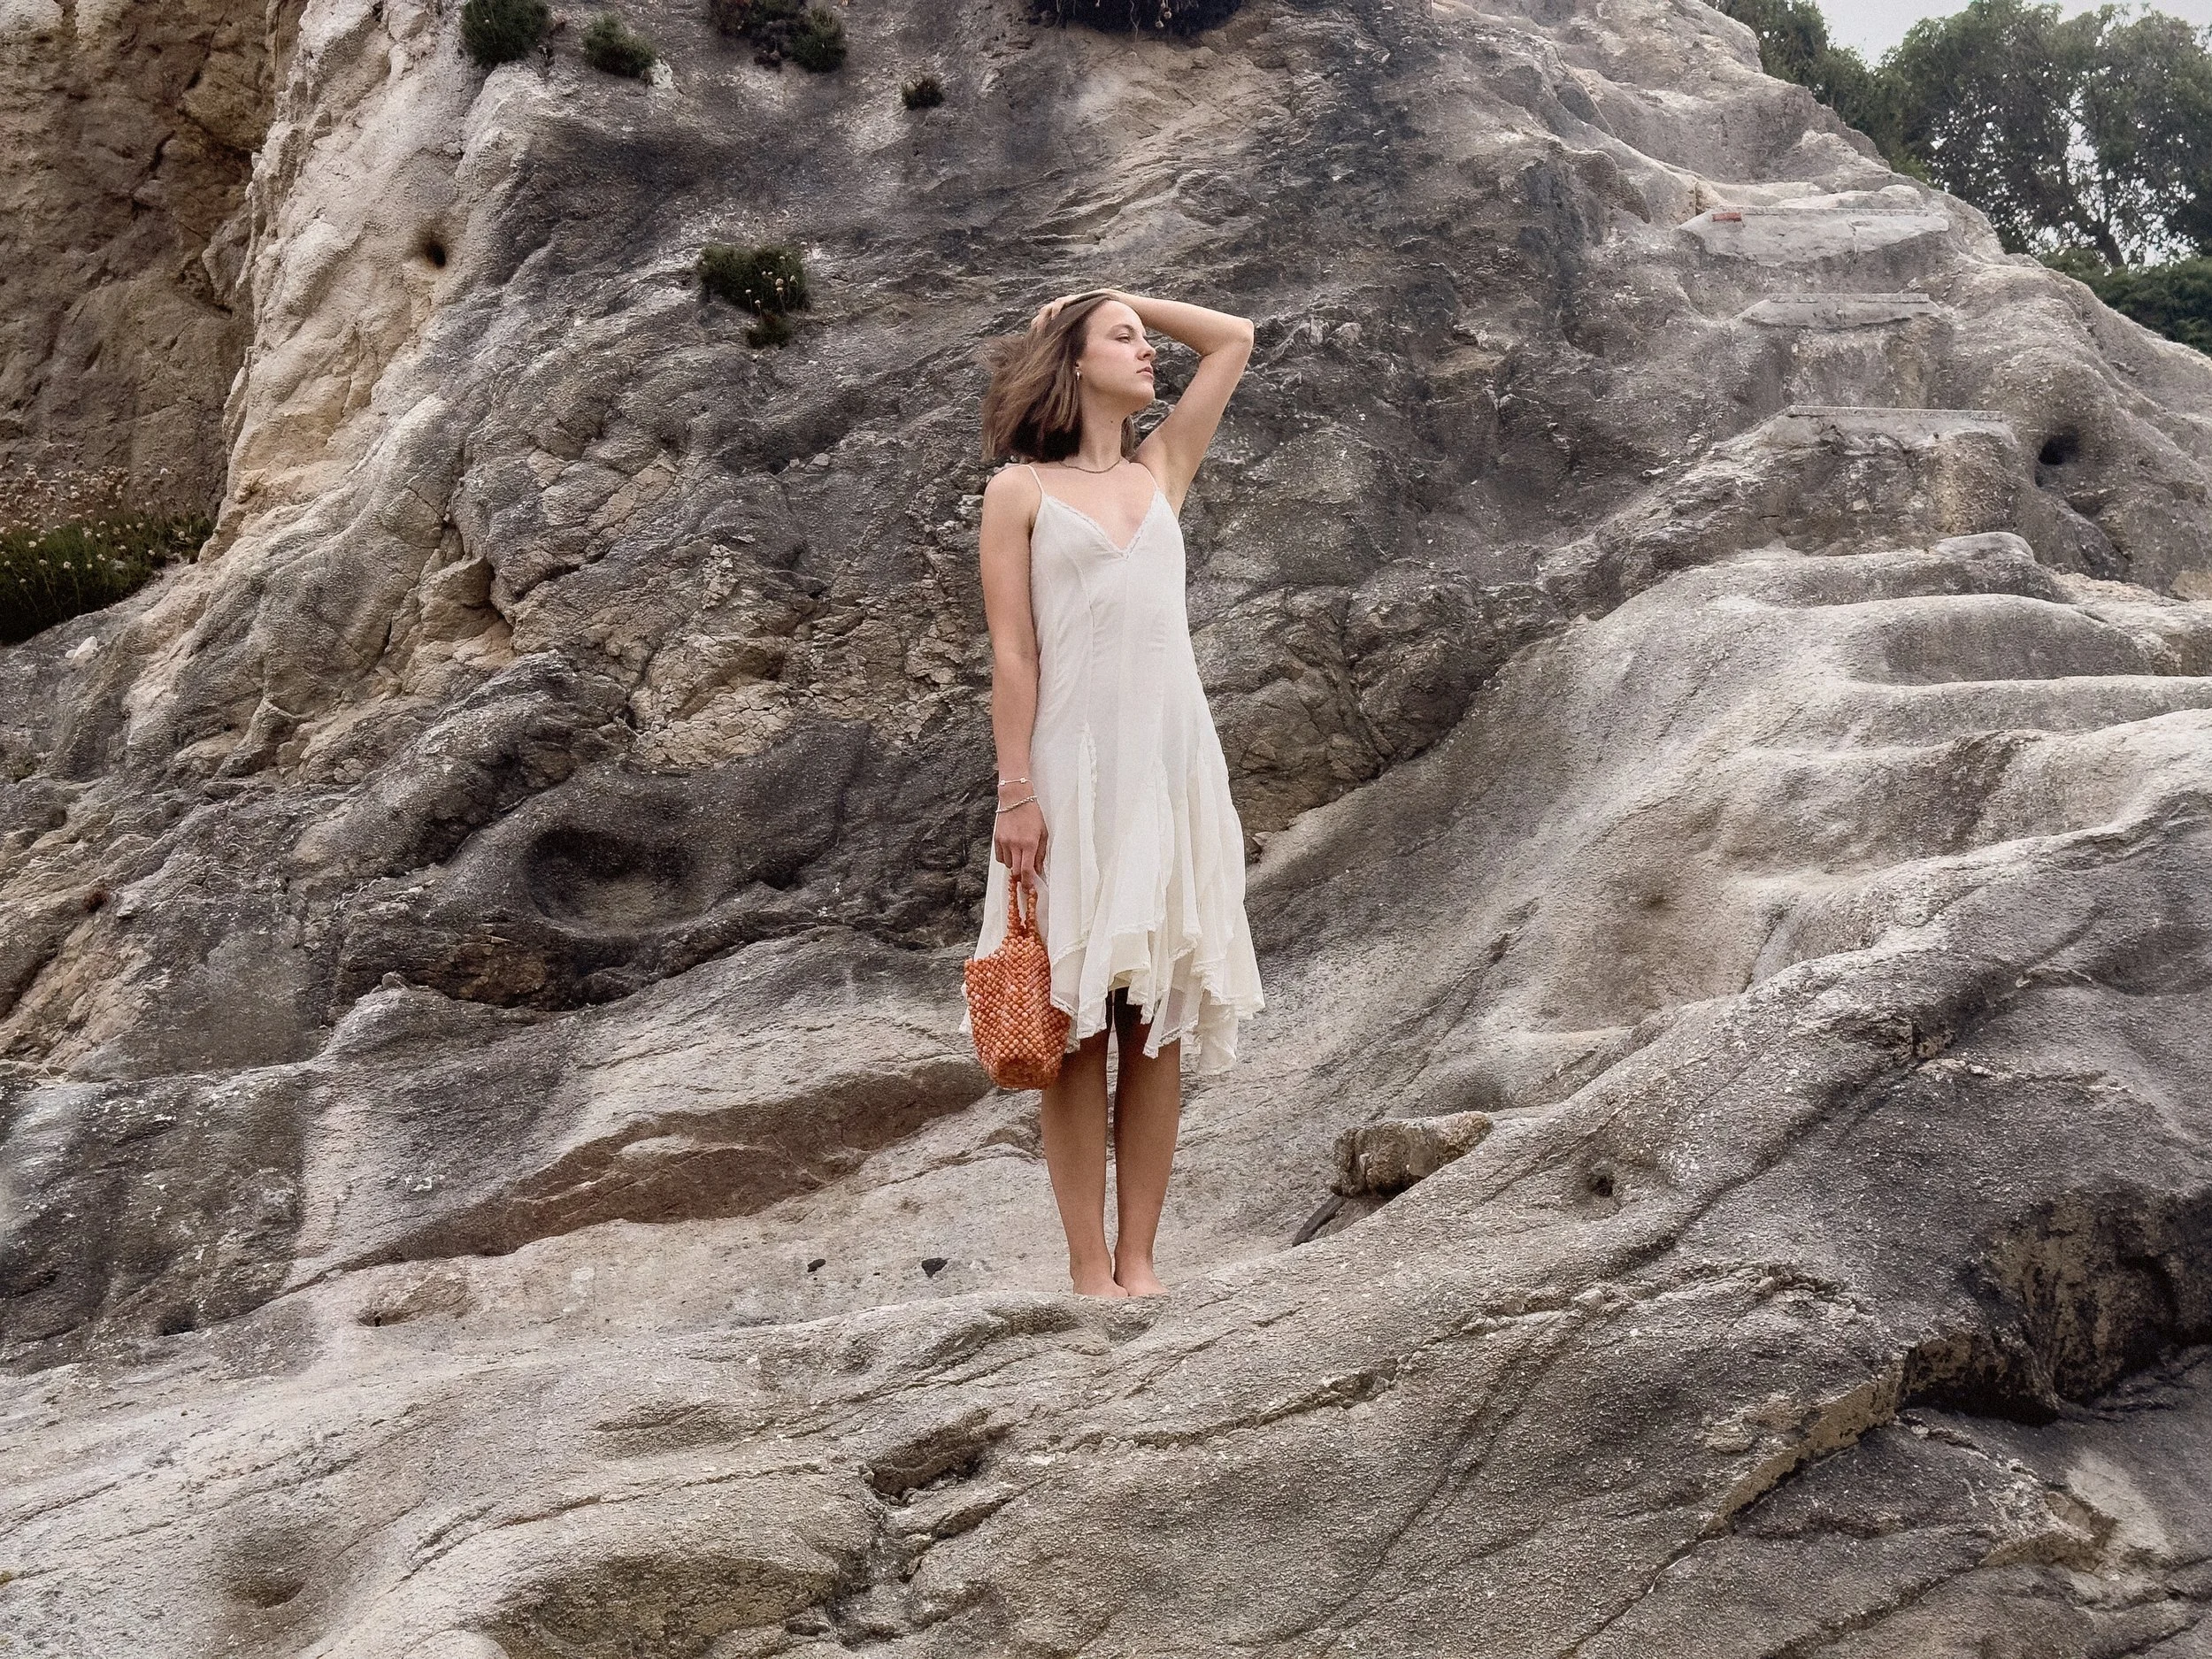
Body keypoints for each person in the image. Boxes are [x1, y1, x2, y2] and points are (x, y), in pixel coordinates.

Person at [965, 286, 1266, 1298]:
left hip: (1170, 769)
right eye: (1125, 340)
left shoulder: (1162, 467)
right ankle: (1087, 1268)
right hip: (1068, 774)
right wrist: (1017, 793)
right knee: (1074, 1026)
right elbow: (1012, 653)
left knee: (1156, 1021)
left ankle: (1141, 1262)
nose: (1148, 352)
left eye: (1144, 340)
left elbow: (1233, 338)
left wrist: (1121, 296)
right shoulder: (1020, 493)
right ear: (1074, 361)